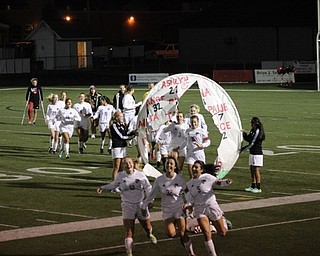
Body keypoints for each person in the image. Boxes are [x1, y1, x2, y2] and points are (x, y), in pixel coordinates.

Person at [96, 156, 157, 256]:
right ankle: (129, 252)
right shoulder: (120, 176)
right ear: (123, 166)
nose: (128, 164)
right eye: (125, 163)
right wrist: (102, 187)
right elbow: (113, 185)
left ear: (133, 163)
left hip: (140, 205)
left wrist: (150, 201)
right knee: (129, 230)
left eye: (129, 162)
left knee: (147, 226)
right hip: (127, 205)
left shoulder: (141, 175)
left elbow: (148, 187)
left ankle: (149, 234)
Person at [141, 156, 196, 256]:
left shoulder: (179, 179)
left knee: (183, 234)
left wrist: (189, 204)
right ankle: (186, 231)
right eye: (167, 163)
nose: (169, 165)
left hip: (178, 208)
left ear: (175, 166)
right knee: (171, 234)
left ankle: (191, 253)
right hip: (167, 210)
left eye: (171, 163)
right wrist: (144, 205)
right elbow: (152, 194)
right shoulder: (159, 180)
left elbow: (187, 193)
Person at [185, 160, 232, 256]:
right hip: (199, 209)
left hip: (211, 206)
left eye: (196, 167)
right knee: (206, 234)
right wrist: (188, 205)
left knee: (222, 233)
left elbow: (219, 182)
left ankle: (223, 220)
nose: (193, 169)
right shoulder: (189, 184)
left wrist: (226, 182)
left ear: (201, 170)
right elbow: (190, 199)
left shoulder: (207, 177)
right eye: (193, 167)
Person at [241, 116, 266, 193]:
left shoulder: (258, 131)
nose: (250, 124)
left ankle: (258, 187)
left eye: (251, 123)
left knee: (256, 170)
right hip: (252, 152)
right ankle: (253, 185)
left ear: (255, 123)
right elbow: (249, 139)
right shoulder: (253, 130)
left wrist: (243, 149)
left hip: (257, 153)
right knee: (252, 169)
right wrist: (244, 133)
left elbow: (252, 143)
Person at [109, 111, 136, 180]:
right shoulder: (114, 125)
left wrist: (133, 132)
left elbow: (126, 133)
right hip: (117, 147)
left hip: (123, 146)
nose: (122, 118)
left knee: (122, 167)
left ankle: (120, 182)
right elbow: (121, 136)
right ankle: (114, 184)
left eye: (122, 116)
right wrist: (132, 137)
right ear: (116, 117)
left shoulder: (122, 125)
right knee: (116, 166)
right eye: (120, 116)